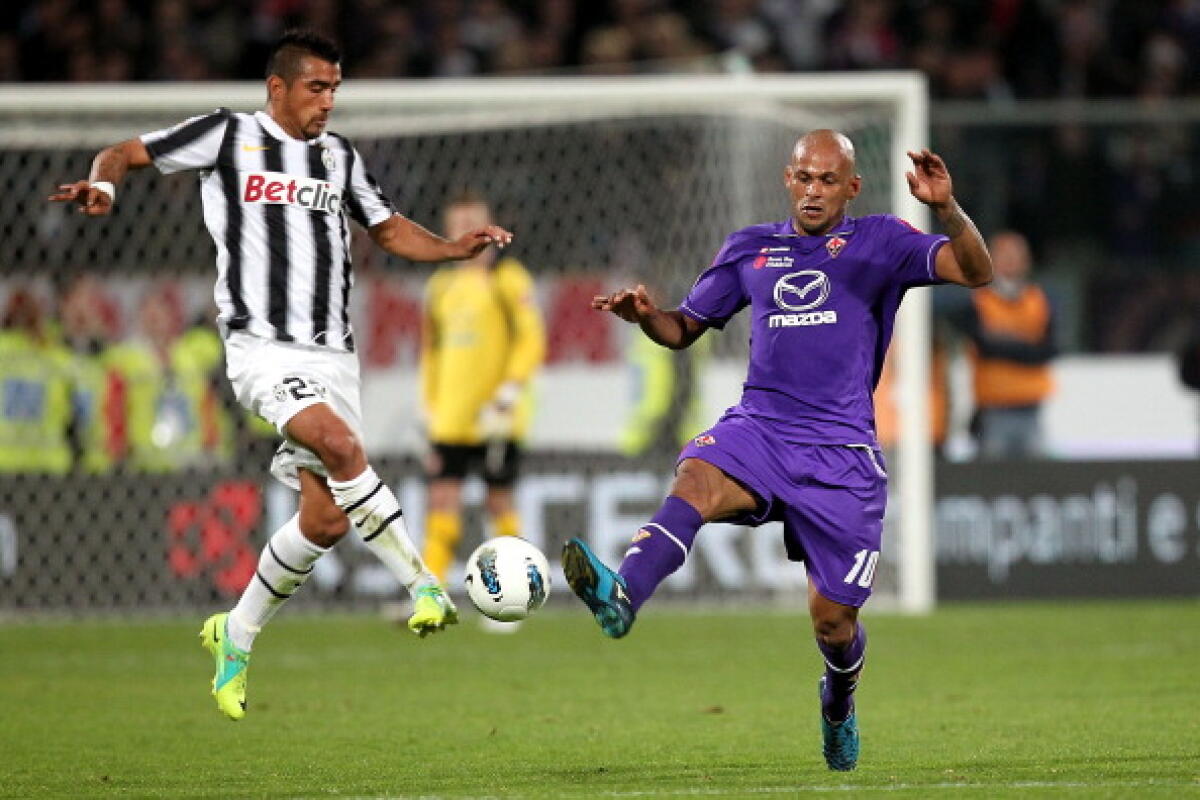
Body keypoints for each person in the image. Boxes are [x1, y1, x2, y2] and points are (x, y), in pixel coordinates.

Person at [50, 29, 513, 721]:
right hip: (262, 348)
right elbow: (124, 153)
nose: (327, 102)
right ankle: (423, 584)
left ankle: (232, 635)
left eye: (334, 89)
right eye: (316, 88)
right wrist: (105, 187)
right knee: (342, 446)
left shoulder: (339, 157)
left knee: (325, 519)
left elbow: (386, 229)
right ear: (278, 88)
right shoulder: (226, 135)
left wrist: (451, 248)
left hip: (334, 355)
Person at [563, 130, 992, 771]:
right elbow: (683, 329)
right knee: (697, 478)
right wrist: (646, 315)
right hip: (761, 429)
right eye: (802, 177)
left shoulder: (882, 242)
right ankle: (624, 595)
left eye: (826, 181)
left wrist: (948, 209)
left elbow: (976, 272)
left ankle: (839, 702)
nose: (812, 191)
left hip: (841, 456)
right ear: (787, 180)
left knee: (833, 623)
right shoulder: (750, 249)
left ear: (851, 187)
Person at [419, 192, 545, 630]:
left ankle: (511, 603)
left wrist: (511, 388)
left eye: (473, 220)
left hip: (496, 417)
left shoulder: (508, 279)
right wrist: (429, 406)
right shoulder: (440, 287)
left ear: (491, 227)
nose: (465, 229)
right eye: (457, 222)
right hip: (451, 419)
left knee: (498, 501)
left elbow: (532, 338)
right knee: (442, 502)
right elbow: (431, 352)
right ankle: (431, 597)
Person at [952, 230, 1056, 459]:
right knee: (992, 479)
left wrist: (1002, 341)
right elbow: (986, 347)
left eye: (1017, 256)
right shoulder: (977, 303)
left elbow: (1047, 350)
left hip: (1032, 407)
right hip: (994, 410)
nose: (1012, 263)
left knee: (1035, 480)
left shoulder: (1039, 300)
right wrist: (1025, 345)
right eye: (1005, 256)